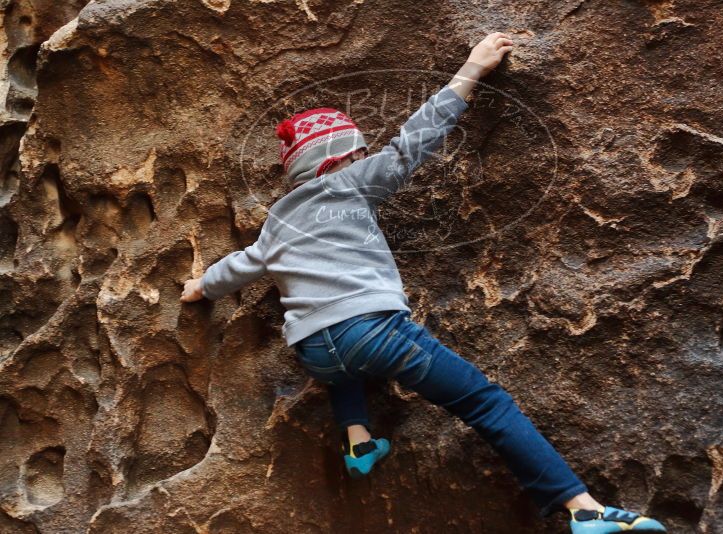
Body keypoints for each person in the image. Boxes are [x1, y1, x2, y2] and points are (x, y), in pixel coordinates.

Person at [180, 32, 668, 533]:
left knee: (339, 362)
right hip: (373, 331)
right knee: (486, 403)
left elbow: (243, 264)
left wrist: (199, 288)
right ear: (339, 159)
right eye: (358, 150)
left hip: (313, 347)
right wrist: (471, 70)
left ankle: (358, 440)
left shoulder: (279, 220)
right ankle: (582, 509)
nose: (366, 155)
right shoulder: (352, 181)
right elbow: (414, 139)